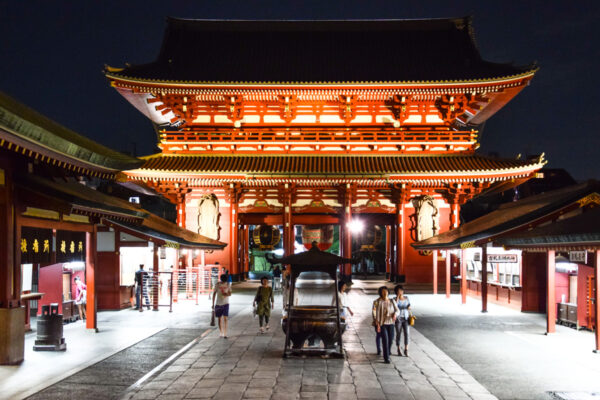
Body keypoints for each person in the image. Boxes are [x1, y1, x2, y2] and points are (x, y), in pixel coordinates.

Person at [372, 286, 399, 363]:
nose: (385, 293)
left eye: (386, 291)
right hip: (382, 324)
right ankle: (386, 357)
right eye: (383, 292)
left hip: (391, 323)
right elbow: (374, 313)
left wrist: (395, 314)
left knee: (390, 340)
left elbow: (397, 310)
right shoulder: (377, 302)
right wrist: (377, 324)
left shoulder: (392, 301)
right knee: (385, 340)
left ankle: (387, 351)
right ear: (380, 293)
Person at [394, 285, 411, 356]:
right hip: (398, 318)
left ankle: (406, 349)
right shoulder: (394, 299)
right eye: (398, 291)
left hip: (406, 318)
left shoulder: (406, 298)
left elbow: (409, 305)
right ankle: (398, 349)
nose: (400, 292)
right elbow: (395, 306)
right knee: (398, 334)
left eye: (401, 290)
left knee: (407, 333)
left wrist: (409, 307)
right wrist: (398, 297)